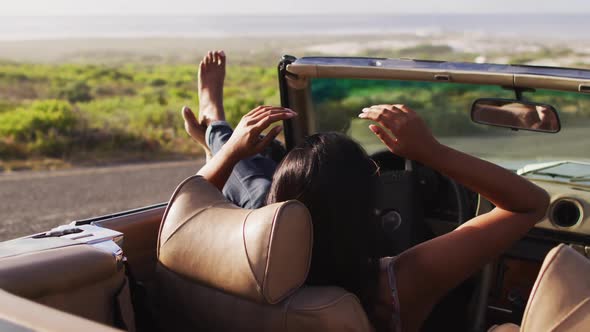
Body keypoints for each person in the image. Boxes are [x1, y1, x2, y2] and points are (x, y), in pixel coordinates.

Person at [183, 51, 550, 332]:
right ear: (367, 209)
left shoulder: (240, 263)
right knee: (253, 173)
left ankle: (215, 126)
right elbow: (529, 205)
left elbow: (184, 218)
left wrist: (229, 153)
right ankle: (215, 129)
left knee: (250, 177)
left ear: (275, 206)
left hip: (264, 243)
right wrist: (430, 152)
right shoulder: (399, 285)